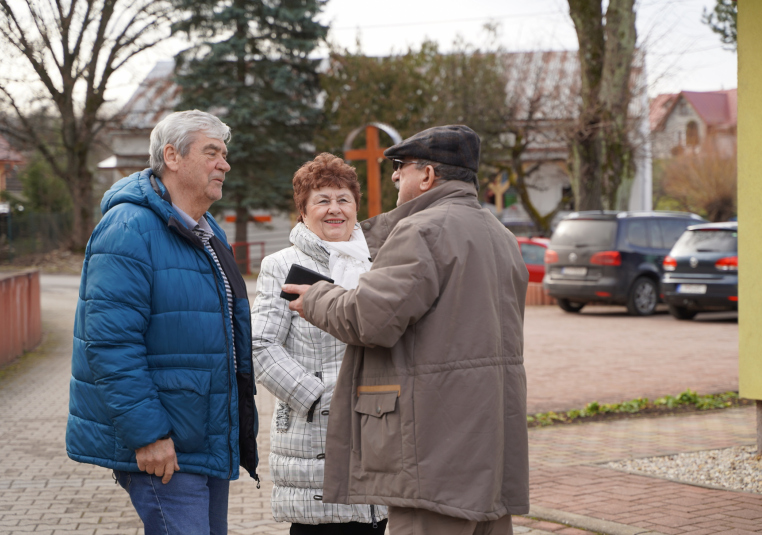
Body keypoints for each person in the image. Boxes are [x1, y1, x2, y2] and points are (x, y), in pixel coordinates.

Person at [283, 125, 530, 535]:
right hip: (489, 450)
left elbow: (370, 318)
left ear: (428, 175)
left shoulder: (422, 231)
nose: (395, 175)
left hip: (433, 454)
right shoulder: (500, 235)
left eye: (401, 166)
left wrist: (317, 297)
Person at [65, 110, 259, 534]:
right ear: (172, 156)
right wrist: (148, 435)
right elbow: (110, 345)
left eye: (225, 155)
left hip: (204, 439)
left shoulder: (207, 231)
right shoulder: (128, 228)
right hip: (165, 446)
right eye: (212, 153)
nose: (224, 164)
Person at [251, 152, 388, 534]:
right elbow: (260, 344)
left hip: (378, 428)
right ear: (303, 211)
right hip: (315, 433)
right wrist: (318, 397)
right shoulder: (282, 265)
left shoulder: (378, 263)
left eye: (344, 199)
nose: (335, 209)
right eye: (322, 200)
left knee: (372, 522)